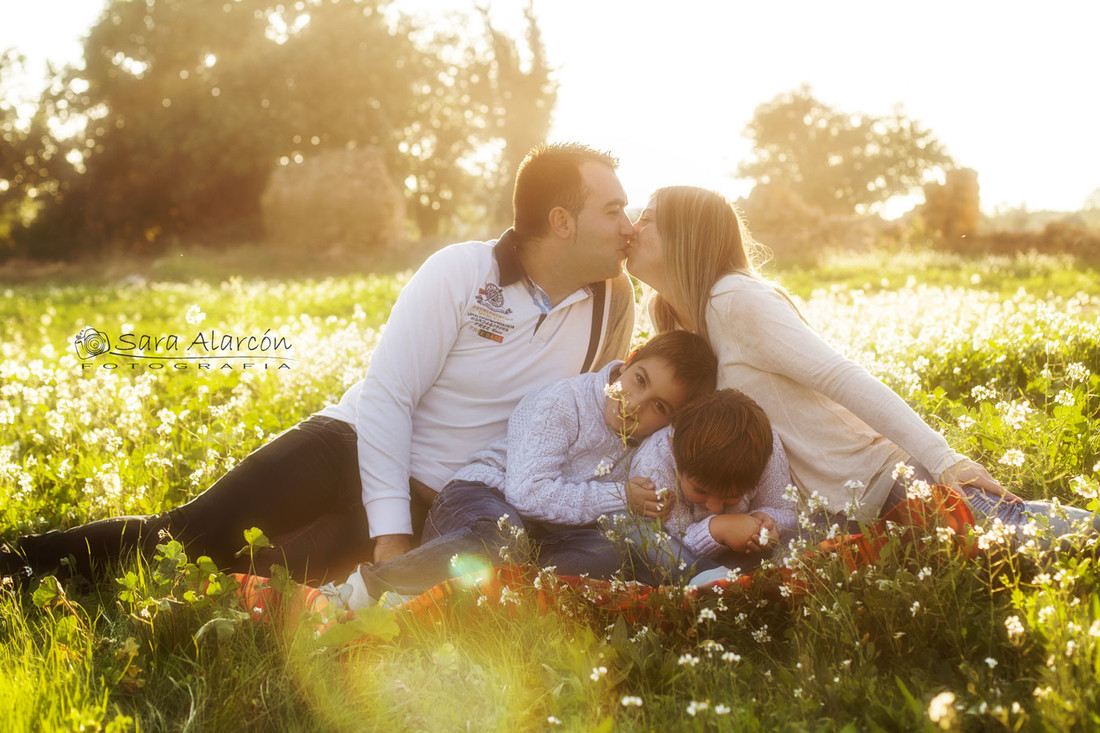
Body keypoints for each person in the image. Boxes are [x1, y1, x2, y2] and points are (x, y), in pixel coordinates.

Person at [1, 142, 637, 585]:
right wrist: (390, 531)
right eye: (613, 210)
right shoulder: (462, 272)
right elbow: (389, 396)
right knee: (190, 537)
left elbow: (581, 418)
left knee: (269, 578)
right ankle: (13, 566)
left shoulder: (612, 304)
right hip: (349, 444)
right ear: (561, 221)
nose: (626, 226)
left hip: (441, 500)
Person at [623, 185, 1099, 544]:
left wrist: (946, 462)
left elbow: (841, 376)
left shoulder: (735, 300)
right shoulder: (673, 324)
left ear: (686, 237)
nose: (633, 228)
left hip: (881, 483)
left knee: (1030, 539)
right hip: (826, 523)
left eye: (647, 218)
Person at [328, 330, 717, 608]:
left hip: (546, 539)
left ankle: (473, 597)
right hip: (482, 500)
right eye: (639, 380)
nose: (636, 404)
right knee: (505, 538)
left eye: (660, 406)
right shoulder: (564, 403)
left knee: (616, 554)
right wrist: (620, 496)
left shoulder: (649, 444)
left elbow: (650, 523)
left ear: (671, 420)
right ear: (629, 361)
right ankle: (368, 588)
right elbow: (528, 493)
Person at [619, 388, 797, 585]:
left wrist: (766, 522)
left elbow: (786, 511)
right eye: (700, 490)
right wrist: (718, 529)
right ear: (677, 456)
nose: (714, 506)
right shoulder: (654, 465)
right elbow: (675, 543)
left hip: (739, 555)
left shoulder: (764, 451)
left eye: (732, 495)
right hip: (679, 554)